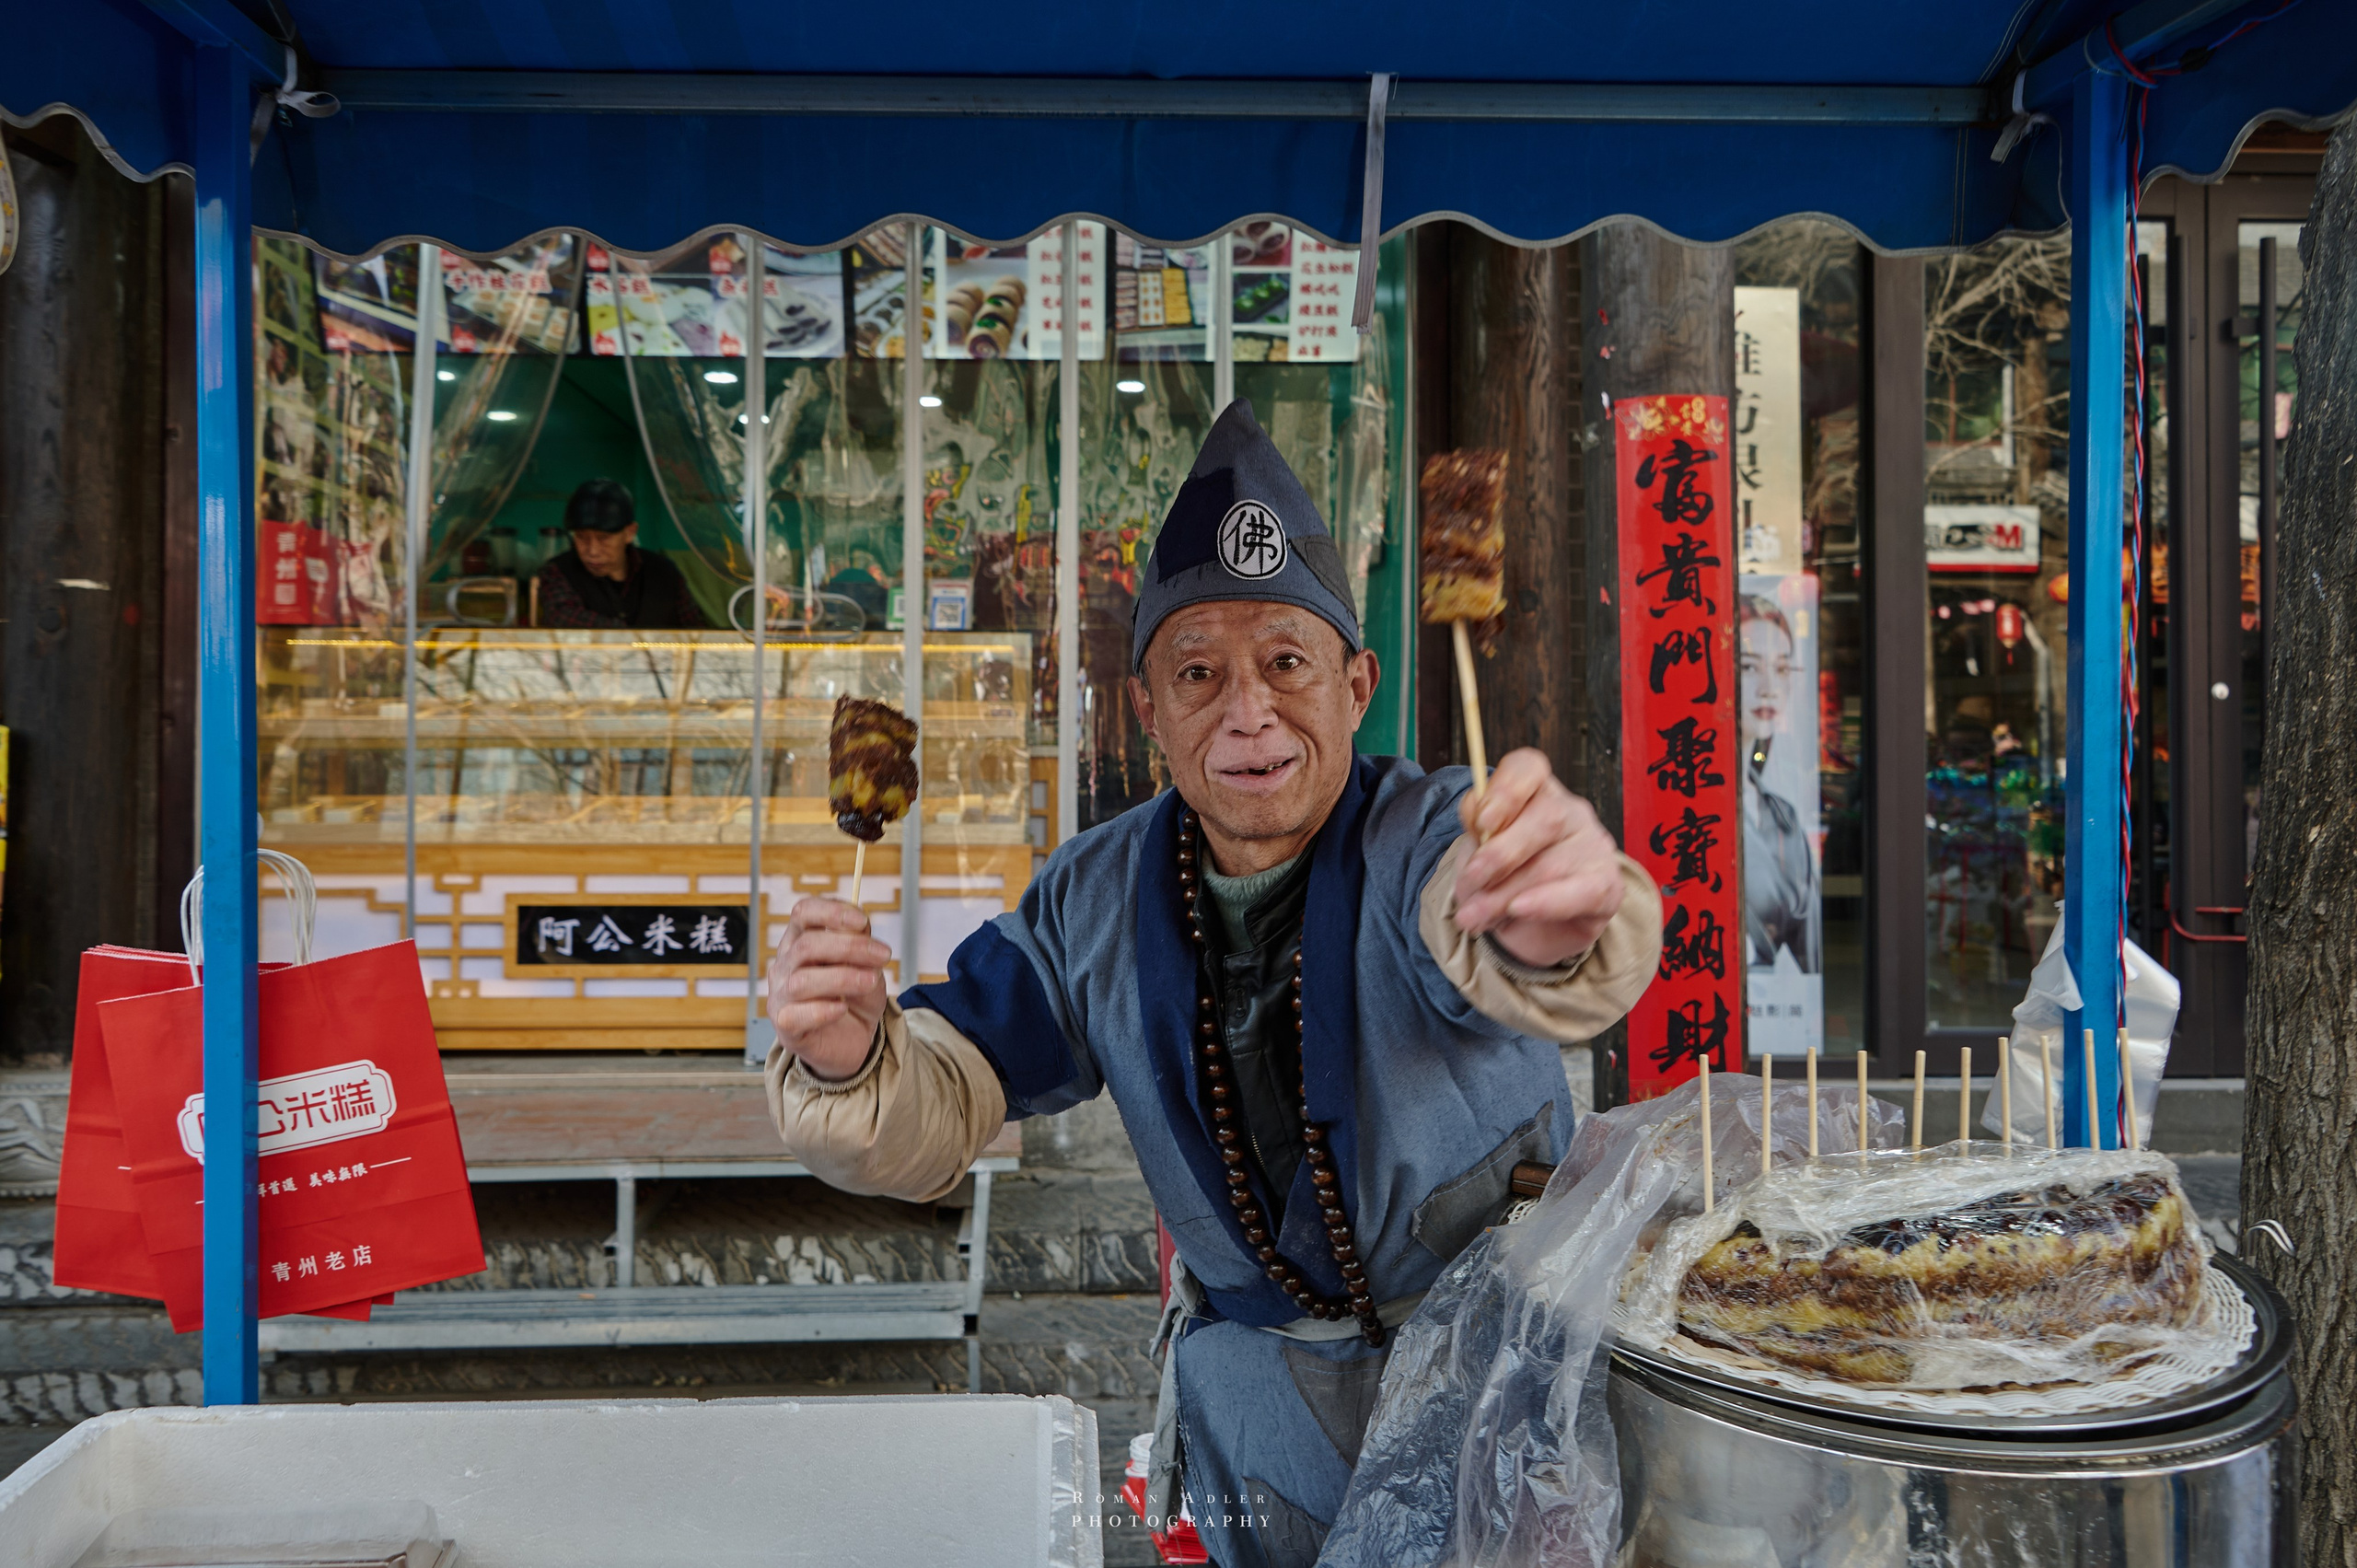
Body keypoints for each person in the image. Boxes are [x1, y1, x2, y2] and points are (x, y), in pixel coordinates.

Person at [764, 401, 1661, 1568]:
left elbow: (1495, 936)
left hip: (1494, 1396)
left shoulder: (1434, 833)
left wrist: (1553, 919)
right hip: (1259, 1421)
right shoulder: (1091, 897)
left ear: (1356, 683)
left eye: (1287, 662)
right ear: (1147, 708)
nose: (1248, 713)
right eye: (1198, 671)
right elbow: (952, 1071)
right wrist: (850, 1061)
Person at [1737, 595, 1820, 974]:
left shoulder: (1783, 815)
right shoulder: (1695, 807)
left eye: (1782, 669)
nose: (1769, 687)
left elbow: (1809, 955)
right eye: (1748, 667)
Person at [534, 478, 708, 629]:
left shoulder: (664, 573)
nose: (592, 551)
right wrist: (634, 638)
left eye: (604, 538)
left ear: (630, 532)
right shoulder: (557, 572)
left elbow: (695, 632)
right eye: (582, 537)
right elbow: (562, 618)